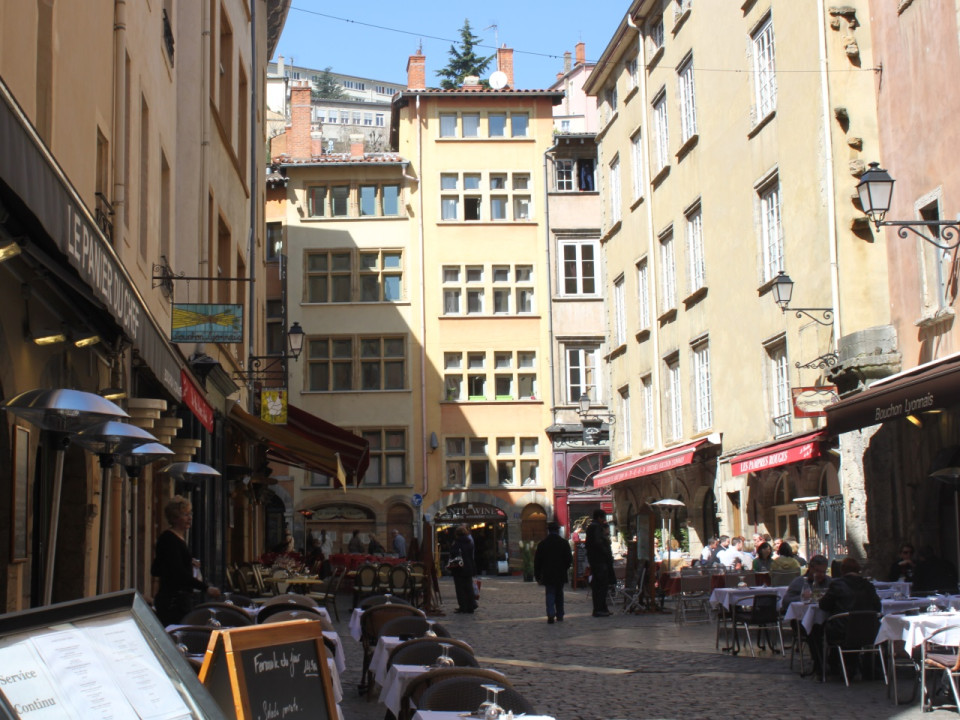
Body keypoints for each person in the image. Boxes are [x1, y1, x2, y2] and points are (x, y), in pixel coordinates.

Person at [151, 495, 220, 626]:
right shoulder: (169, 539)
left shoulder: (177, 539)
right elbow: (177, 573)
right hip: (174, 601)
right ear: (175, 518)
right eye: (185, 514)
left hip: (179, 599)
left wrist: (187, 561)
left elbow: (162, 566)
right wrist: (206, 588)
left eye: (190, 514)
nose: (190, 518)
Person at [534, 521, 573, 624]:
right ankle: (560, 614)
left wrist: (537, 575)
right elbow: (569, 559)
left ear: (548, 531)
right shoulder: (564, 543)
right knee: (559, 593)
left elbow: (537, 561)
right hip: (560, 573)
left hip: (548, 573)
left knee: (550, 593)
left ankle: (551, 613)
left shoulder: (543, 544)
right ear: (558, 530)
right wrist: (565, 568)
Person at [585, 509, 614, 617]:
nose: (604, 520)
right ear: (599, 517)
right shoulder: (596, 527)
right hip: (600, 560)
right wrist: (606, 551)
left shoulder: (591, 527)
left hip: (595, 560)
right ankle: (600, 609)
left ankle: (600, 608)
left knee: (598, 585)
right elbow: (598, 543)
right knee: (602, 585)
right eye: (603, 518)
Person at [449, 525, 478, 613]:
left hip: (459, 568)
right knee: (469, 587)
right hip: (468, 567)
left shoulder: (456, 543)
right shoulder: (469, 542)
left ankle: (463, 606)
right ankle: (471, 605)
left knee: (460, 588)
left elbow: (453, 553)